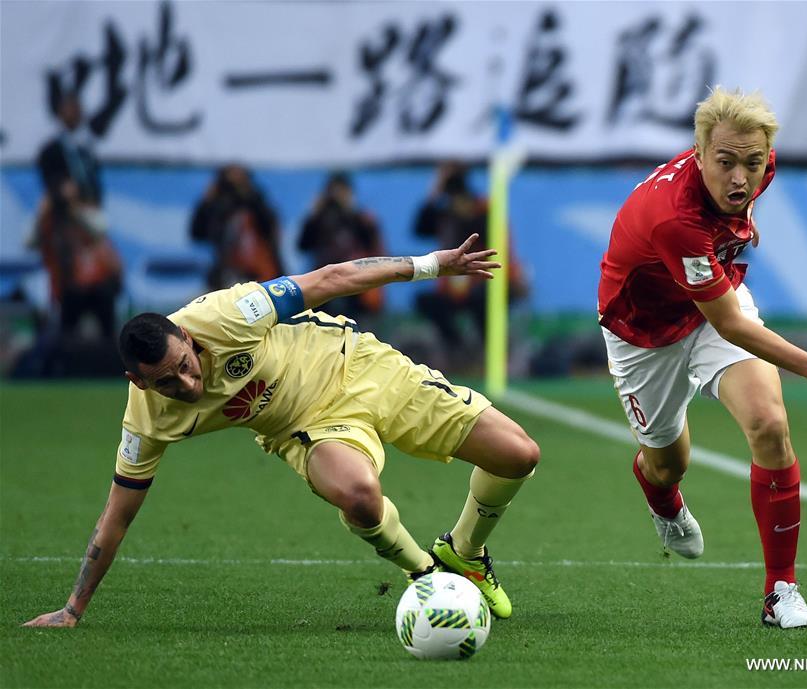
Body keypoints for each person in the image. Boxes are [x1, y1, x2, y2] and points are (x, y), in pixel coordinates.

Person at [23, 233, 539, 629]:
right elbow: (117, 515)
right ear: (136, 380)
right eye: (166, 381)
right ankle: (427, 576)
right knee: (359, 496)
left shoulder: (227, 315)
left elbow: (333, 278)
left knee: (518, 454)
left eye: (185, 363)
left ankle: (464, 554)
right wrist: (72, 608)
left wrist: (433, 265)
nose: (188, 382)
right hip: (305, 427)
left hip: (363, 366)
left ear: (184, 334)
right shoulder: (146, 420)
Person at [597, 87, 807, 629]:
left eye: (751, 164)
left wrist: (743, 223)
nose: (740, 178)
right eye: (725, 162)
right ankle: (662, 499)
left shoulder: (761, 166)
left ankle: (781, 591)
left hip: (715, 297)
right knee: (667, 463)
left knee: (769, 424)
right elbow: (730, 324)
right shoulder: (674, 218)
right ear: (699, 153)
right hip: (643, 332)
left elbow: (724, 313)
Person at [413, 162, 528, 365]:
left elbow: (495, 240)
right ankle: (458, 347)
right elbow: (419, 228)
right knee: (426, 300)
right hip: (456, 286)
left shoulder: (484, 210)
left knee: (481, 299)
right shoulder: (445, 214)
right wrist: (435, 190)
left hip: (491, 280)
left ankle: (492, 355)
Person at [33, 90, 122, 349]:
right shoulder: (52, 150)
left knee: (104, 292)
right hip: (65, 234)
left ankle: (108, 357)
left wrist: (84, 204)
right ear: (60, 113)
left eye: (76, 108)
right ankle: (62, 355)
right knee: (65, 296)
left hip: (87, 219)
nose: (74, 114)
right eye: (68, 109)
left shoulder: (85, 150)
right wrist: (61, 198)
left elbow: (96, 196)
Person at [297, 172, 385, 325]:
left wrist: (350, 211)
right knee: (323, 323)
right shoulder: (320, 219)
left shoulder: (359, 219)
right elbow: (302, 245)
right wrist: (313, 215)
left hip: (354, 279)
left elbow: (373, 246)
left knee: (356, 324)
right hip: (324, 277)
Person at [189, 164, 284, 290]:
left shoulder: (257, 204)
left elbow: (270, 228)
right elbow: (197, 233)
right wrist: (207, 202)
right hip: (227, 271)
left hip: (260, 271)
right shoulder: (218, 207)